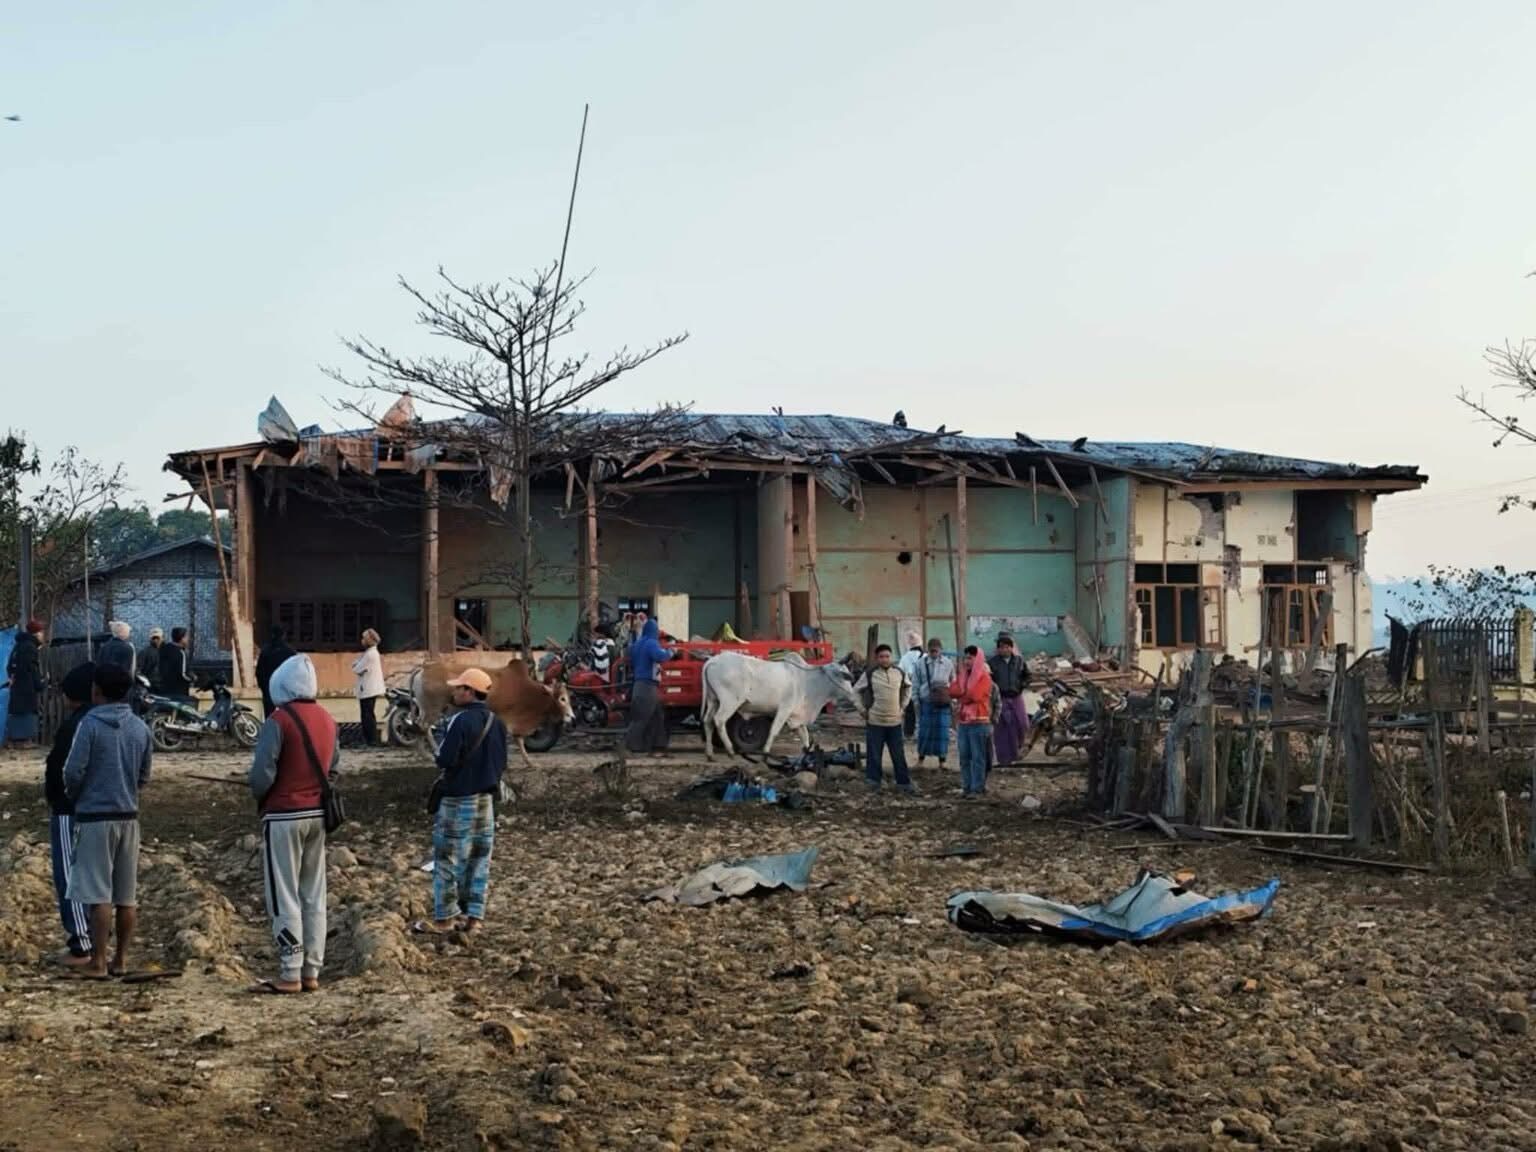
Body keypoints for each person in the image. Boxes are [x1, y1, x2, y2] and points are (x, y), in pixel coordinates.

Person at [248, 653, 337, 994]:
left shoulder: (279, 719)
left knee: (283, 893)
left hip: (283, 816)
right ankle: (312, 970)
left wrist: (261, 795)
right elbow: (334, 768)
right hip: (318, 815)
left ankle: (290, 972)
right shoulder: (328, 719)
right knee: (313, 893)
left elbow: (262, 774)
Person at [62, 662, 153, 978]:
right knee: (126, 896)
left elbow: (73, 771)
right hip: (128, 817)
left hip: (94, 817)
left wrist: (76, 796)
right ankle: (121, 960)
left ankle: (98, 961)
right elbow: (144, 775)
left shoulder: (89, 724)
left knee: (98, 894)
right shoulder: (140, 728)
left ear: (96, 690)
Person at [416, 668, 507, 935]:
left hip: (457, 800)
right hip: (486, 801)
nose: (454, 692)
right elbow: (502, 762)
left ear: (470, 692)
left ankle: (445, 919)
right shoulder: (497, 722)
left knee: (447, 859)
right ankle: (474, 918)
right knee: (479, 860)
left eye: (459, 688)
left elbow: (445, 759)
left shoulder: (459, 721)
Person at [45, 661, 95, 966]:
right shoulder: (102, 721)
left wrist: (58, 798)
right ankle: (96, 939)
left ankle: (81, 943)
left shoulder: (76, 726)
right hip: (100, 810)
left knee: (70, 874)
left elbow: (64, 770)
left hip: (69, 808)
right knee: (95, 875)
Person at [855, 644, 913, 793]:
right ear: (877, 658)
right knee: (874, 754)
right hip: (875, 722)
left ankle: (903, 783)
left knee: (898, 754)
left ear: (891, 657)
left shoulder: (899, 672)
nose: (885, 659)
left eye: (887, 656)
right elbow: (855, 691)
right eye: (881, 657)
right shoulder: (870, 674)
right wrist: (862, 710)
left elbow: (908, 688)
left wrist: (903, 707)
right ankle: (873, 782)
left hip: (895, 722)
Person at [624, 617, 674, 755]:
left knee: (657, 716)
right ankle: (632, 746)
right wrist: (671, 651)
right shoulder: (651, 643)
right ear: (655, 631)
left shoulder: (638, 643)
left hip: (639, 685)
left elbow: (629, 654)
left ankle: (659, 745)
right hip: (648, 686)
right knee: (641, 718)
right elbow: (660, 657)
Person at [954, 646, 994, 797]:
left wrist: (962, 695)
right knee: (964, 757)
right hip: (964, 722)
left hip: (979, 722)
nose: (967, 661)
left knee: (978, 758)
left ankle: (977, 788)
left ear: (977, 660)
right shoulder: (963, 675)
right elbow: (952, 690)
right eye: (965, 658)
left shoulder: (984, 677)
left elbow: (975, 696)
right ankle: (967, 786)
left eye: (970, 658)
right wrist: (964, 694)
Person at [988, 633, 1030, 768]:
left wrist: (1022, 685)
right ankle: (1004, 758)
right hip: (1001, 698)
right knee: (1003, 728)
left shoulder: (1019, 661)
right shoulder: (992, 662)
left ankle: (1018, 751)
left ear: (1012, 648)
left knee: (1022, 724)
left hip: (1016, 697)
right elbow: (988, 680)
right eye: (1001, 647)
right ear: (998, 649)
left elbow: (1027, 676)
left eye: (1007, 647)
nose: (1004, 650)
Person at [912, 637, 955, 769]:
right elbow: (915, 683)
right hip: (926, 701)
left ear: (941, 650)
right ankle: (920, 760)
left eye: (936, 651)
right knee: (924, 731)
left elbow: (953, 682)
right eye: (932, 651)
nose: (934, 653)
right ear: (928, 650)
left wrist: (953, 700)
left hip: (943, 703)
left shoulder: (948, 663)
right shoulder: (920, 664)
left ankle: (942, 761)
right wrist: (915, 700)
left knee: (942, 732)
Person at [5, 619, 46, 748]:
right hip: (26, 686)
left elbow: (10, 666)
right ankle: (23, 741)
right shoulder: (30, 647)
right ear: (36, 633)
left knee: (17, 711)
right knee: (26, 711)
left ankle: (14, 740)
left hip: (17, 685)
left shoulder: (18, 646)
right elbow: (31, 668)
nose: (43, 635)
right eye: (41, 632)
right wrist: (39, 684)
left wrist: (13, 676)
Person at [352, 629, 385, 746]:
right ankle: (370, 739)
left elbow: (356, 668)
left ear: (370, 640)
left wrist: (356, 665)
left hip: (368, 689)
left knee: (367, 715)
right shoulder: (370, 653)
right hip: (368, 688)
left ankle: (371, 740)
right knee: (368, 714)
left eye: (364, 638)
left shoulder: (370, 655)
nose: (362, 640)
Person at [255, 625, 296, 718]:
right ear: (283, 636)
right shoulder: (290, 652)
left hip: (269, 691)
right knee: (287, 717)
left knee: (270, 717)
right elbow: (295, 673)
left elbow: (259, 673)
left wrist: (264, 689)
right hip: (286, 692)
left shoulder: (266, 651)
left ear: (272, 635)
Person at [898, 631, 924, 739]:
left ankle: (909, 733)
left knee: (909, 712)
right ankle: (921, 733)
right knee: (922, 713)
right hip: (923, 690)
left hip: (909, 689)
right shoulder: (925, 657)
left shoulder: (904, 658)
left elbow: (899, 672)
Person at [162, 627, 195, 703]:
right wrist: (193, 679)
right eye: (186, 637)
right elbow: (183, 674)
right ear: (182, 638)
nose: (188, 639)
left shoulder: (164, 649)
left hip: (165, 689)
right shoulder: (180, 653)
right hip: (179, 691)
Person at [139, 628, 165, 693]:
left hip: (165, 686)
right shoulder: (144, 652)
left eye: (158, 638)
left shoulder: (168, 651)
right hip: (151, 687)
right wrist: (146, 683)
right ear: (150, 639)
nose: (155, 640)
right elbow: (138, 671)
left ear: (162, 638)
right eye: (154, 638)